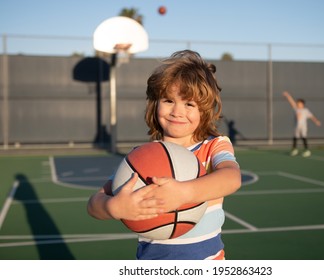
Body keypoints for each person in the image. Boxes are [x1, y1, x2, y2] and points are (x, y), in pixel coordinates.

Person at [87, 50, 241, 260]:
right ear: (155, 103)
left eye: (189, 104)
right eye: (169, 100)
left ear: (204, 110)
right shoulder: (141, 158)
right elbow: (94, 203)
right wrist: (113, 207)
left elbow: (231, 178)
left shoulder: (213, 146)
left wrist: (184, 193)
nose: (177, 111)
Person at [282, 91, 321, 157]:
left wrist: (316, 121)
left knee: (303, 137)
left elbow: (311, 116)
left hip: (303, 126)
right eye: (297, 103)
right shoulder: (296, 109)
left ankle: (307, 151)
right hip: (297, 126)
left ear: (302, 104)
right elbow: (291, 102)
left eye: (299, 103)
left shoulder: (306, 110)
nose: (297, 104)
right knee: (295, 137)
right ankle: (294, 150)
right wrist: (288, 95)